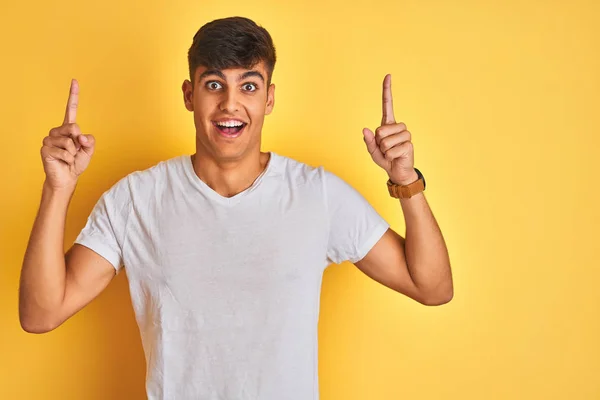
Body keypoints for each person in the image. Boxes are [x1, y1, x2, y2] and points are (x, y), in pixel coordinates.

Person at [19, 16, 453, 400]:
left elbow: (432, 287)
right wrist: (58, 187)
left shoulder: (317, 195)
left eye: (248, 85)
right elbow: (41, 312)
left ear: (269, 99)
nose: (230, 104)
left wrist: (405, 180)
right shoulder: (137, 199)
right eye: (214, 85)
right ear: (190, 95)